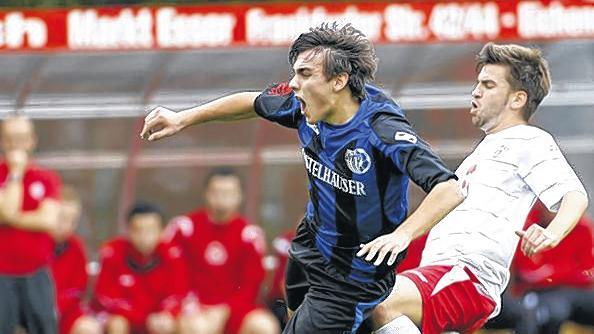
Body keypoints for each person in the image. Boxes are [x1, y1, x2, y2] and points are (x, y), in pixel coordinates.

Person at [141, 22, 462, 333]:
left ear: (339, 81)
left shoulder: (381, 128)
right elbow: (251, 101)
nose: (293, 83)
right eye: (295, 72)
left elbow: (449, 188)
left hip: (353, 270)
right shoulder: (304, 104)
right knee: (298, 311)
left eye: (305, 74)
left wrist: (401, 235)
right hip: (312, 240)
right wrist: (183, 118)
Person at [366, 43, 589, 334]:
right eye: (477, 83)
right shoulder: (480, 153)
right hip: (438, 273)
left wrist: (551, 233)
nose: (476, 91)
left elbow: (574, 195)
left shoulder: (528, 139)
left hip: (466, 276)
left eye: (488, 84)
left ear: (517, 98)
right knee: (354, 311)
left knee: (380, 303)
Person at [166, 167, 279, 334]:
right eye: (217, 192)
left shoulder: (249, 235)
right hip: (193, 309)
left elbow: (251, 285)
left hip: (234, 311)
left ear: (240, 196)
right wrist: (193, 307)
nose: (222, 198)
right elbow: (173, 276)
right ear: (206, 193)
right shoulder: (184, 228)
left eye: (229, 193)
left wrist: (225, 311)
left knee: (264, 326)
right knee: (198, 328)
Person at [0, 116, 62, 334]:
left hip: (36, 272)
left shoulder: (46, 178)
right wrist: (15, 174)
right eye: (10, 139)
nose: (15, 144)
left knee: (44, 327)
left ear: (32, 140)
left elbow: (49, 219)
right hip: (2, 274)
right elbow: (5, 211)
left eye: (21, 138)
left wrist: (11, 218)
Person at [93, 201, 189, 334]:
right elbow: (104, 296)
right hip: (125, 316)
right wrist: (139, 316)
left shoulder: (173, 255)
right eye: (138, 230)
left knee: (175, 323)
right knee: (117, 324)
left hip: (157, 319)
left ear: (161, 231)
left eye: (150, 231)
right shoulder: (112, 252)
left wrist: (166, 313)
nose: (144, 237)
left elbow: (178, 294)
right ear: (128, 230)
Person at [510, 201, 594, 334]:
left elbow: (588, 273)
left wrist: (553, 271)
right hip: (540, 292)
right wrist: (568, 271)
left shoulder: (582, 226)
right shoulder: (527, 226)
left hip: (573, 291)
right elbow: (529, 274)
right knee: (553, 311)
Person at [51, 185, 101, 334]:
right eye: (61, 219)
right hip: (31, 312)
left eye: (73, 221)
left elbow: (78, 290)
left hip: (66, 313)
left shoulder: (76, 247)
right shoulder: (29, 245)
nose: (67, 226)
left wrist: (57, 307)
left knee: (89, 328)